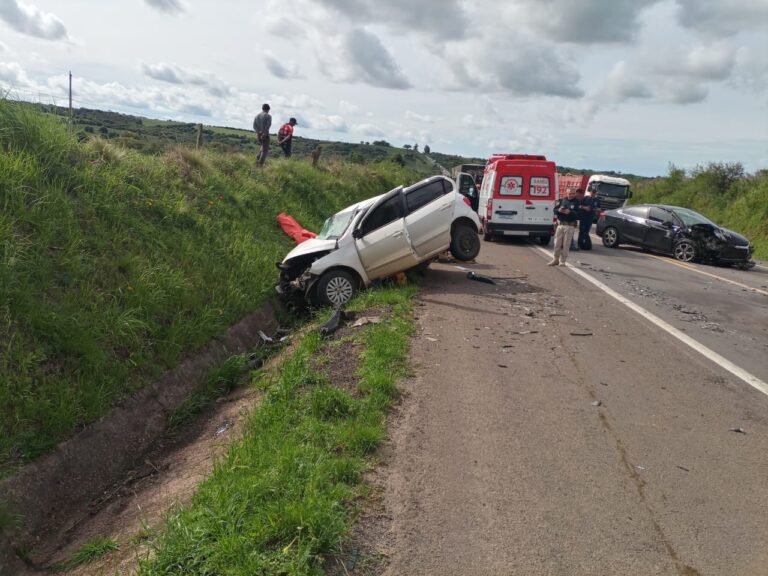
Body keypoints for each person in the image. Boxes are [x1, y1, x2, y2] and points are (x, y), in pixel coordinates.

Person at [548, 189, 580, 266]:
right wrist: (559, 210)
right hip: (560, 224)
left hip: (569, 225)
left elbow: (579, 214)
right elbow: (554, 209)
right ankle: (555, 259)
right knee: (557, 243)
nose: (571, 195)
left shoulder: (577, 202)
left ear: (575, 194)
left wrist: (570, 212)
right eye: (569, 193)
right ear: (566, 193)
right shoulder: (562, 200)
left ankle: (563, 260)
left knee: (566, 244)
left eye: (572, 193)